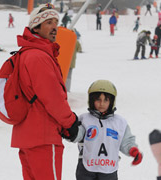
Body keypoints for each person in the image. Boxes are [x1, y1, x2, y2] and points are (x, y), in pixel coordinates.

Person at [10, 3, 79, 180]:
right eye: (48, 22)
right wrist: (71, 123)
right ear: (36, 26)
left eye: (56, 21)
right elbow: (52, 98)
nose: (55, 27)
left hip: (27, 137)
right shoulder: (39, 56)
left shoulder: (27, 53)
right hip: (43, 138)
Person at [67, 80, 143, 180]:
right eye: (98, 99)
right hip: (86, 169)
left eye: (106, 100)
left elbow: (126, 142)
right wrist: (70, 131)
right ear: (91, 100)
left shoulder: (119, 122)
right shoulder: (84, 119)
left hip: (109, 170)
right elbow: (77, 135)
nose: (101, 103)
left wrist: (133, 150)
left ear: (111, 102)